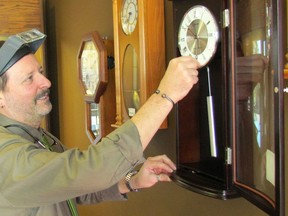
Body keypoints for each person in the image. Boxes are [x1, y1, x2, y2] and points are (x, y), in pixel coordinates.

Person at [0, 29, 199, 216]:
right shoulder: (6, 156)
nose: (46, 82)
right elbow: (89, 169)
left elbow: (74, 187)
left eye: (40, 72)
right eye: (29, 78)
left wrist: (131, 181)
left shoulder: (36, 136)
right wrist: (165, 96)